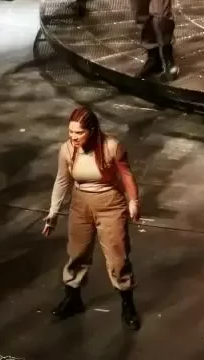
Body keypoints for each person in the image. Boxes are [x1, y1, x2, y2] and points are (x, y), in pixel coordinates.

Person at [43, 106, 142, 331]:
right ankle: (73, 298)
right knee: (77, 253)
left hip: (110, 204)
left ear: (92, 130)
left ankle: (128, 304)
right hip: (80, 204)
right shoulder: (67, 150)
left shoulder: (111, 146)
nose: (73, 137)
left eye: (79, 132)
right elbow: (62, 180)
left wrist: (133, 201)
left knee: (118, 258)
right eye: (71, 132)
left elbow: (126, 174)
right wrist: (53, 212)